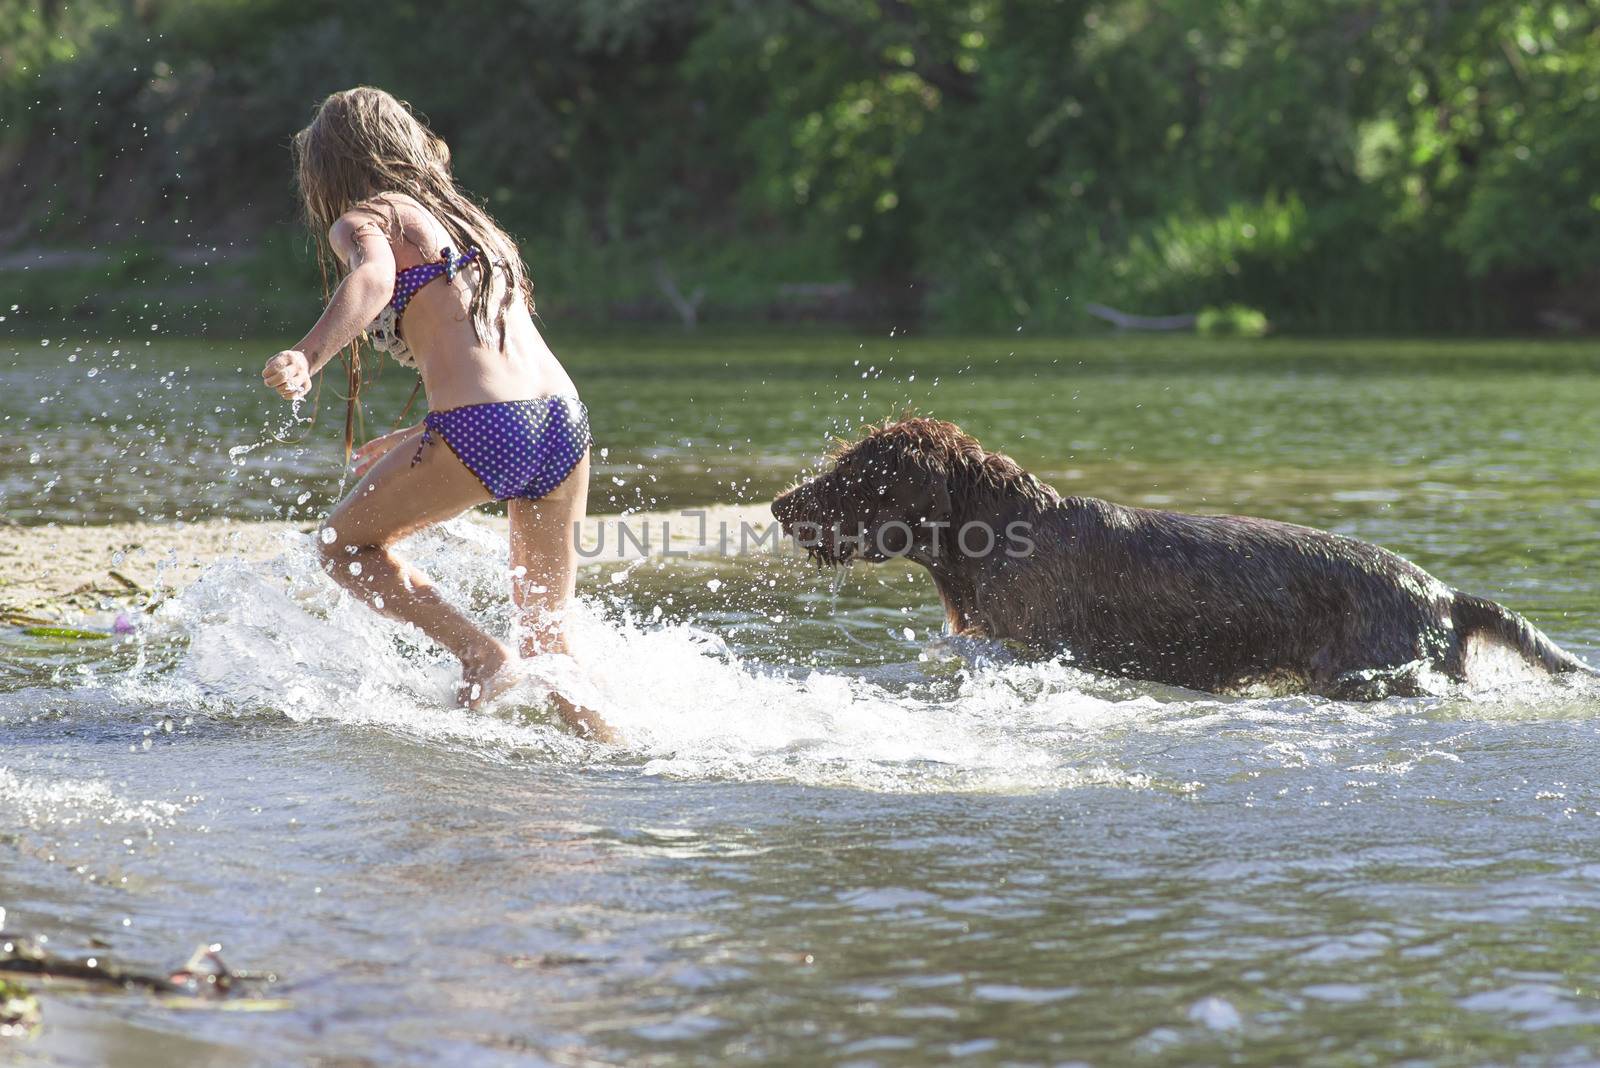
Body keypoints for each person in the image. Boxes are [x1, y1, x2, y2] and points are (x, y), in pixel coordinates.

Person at [261, 86, 616, 742]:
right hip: (562, 421)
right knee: (550, 640)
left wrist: (308, 357)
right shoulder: (475, 225)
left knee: (344, 548)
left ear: (331, 167)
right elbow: (495, 352)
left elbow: (371, 282)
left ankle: (481, 656)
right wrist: (427, 428)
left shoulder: (369, 219)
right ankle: (622, 759)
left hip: (486, 427)